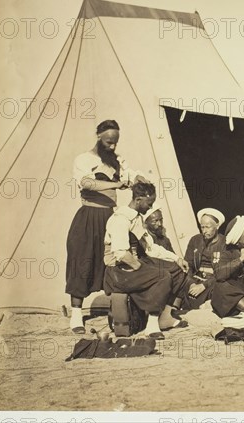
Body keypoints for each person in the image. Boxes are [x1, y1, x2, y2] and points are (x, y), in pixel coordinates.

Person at [65, 119, 148, 334]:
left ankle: (117, 311)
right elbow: (87, 183)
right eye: (109, 142)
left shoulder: (117, 161)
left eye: (115, 143)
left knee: (112, 259)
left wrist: (137, 177)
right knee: (82, 260)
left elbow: (129, 175)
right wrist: (116, 184)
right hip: (89, 215)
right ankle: (76, 315)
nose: (112, 146)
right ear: (99, 136)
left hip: (110, 217)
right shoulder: (84, 159)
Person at [103, 182, 188, 340]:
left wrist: (177, 258)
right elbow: (121, 253)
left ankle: (165, 317)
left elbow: (150, 248)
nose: (150, 207)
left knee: (177, 270)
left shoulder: (135, 218)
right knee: (162, 276)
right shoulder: (121, 219)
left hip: (132, 266)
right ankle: (152, 325)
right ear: (138, 199)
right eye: (149, 203)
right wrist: (141, 268)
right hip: (118, 271)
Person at [181, 208, 227, 310]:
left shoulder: (225, 243)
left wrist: (204, 286)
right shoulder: (195, 240)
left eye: (208, 227)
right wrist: (191, 283)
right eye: (202, 227)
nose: (204, 231)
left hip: (214, 282)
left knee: (222, 290)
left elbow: (224, 273)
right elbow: (188, 265)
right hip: (196, 279)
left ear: (217, 226)